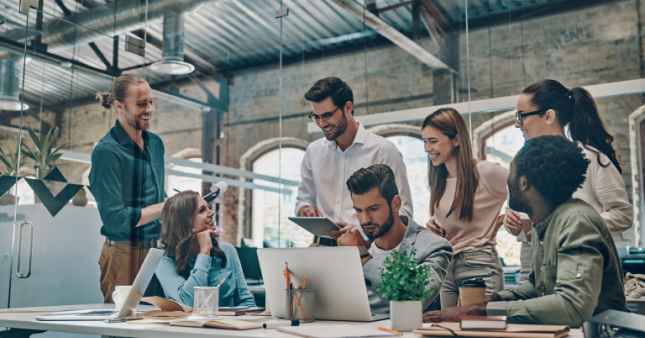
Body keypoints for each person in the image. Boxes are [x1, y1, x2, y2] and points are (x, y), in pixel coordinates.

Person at [424, 136, 626, 328]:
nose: (507, 181)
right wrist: (490, 301)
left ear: (523, 182)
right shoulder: (546, 222)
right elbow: (537, 286)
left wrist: (485, 311)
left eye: (511, 173)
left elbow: (571, 306)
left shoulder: (576, 221)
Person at [507, 79, 632, 279]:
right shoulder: (524, 164)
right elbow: (526, 224)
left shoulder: (592, 160)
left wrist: (571, 228)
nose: (517, 124)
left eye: (522, 116)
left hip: (581, 270)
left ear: (548, 116)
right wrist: (516, 226)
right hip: (536, 271)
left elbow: (622, 215)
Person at [295, 77, 413, 243]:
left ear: (348, 108)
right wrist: (305, 209)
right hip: (324, 246)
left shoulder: (383, 151)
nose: (321, 123)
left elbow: (404, 212)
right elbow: (303, 198)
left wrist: (368, 238)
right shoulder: (313, 152)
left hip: (370, 248)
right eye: (315, 116)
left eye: (327, 115)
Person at [422, 108, 508, 308]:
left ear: (456, 140)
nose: (427, 148)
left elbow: (526, 188)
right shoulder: (440, 181)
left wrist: (506, 218)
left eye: (433, 141)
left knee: (480, 332)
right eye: (424, 142)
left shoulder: (485, 172)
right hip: (447, 268)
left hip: (479, 265)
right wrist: (434, 228)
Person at [90, 74, 166, 303]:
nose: (149, 109)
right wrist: (166, 207)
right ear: (119, 106)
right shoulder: (106, 152)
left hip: (156, 252)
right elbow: (115, 219)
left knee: (156, 326)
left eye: (151, 102)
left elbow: (155, 198)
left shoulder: (155, 144)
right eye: (141, 104)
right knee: (121, 332)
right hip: (123, 253)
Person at [337, 164, 452, 314]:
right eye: (359, 210)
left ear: (395, 204)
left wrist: (364, 257)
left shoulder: (434, 247)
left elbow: (414, 298)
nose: (365, 220)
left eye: (373, 209)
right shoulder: (353, 245)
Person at [155, 191, 256, 308]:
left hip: (225, 325)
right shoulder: (164, 261)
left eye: (208, 207)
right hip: (187, 326)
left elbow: (247, 302)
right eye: (202, 210)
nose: (211, 212)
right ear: (186, 223)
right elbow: (186, 304)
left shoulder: (227, 250)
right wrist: (204, 252)